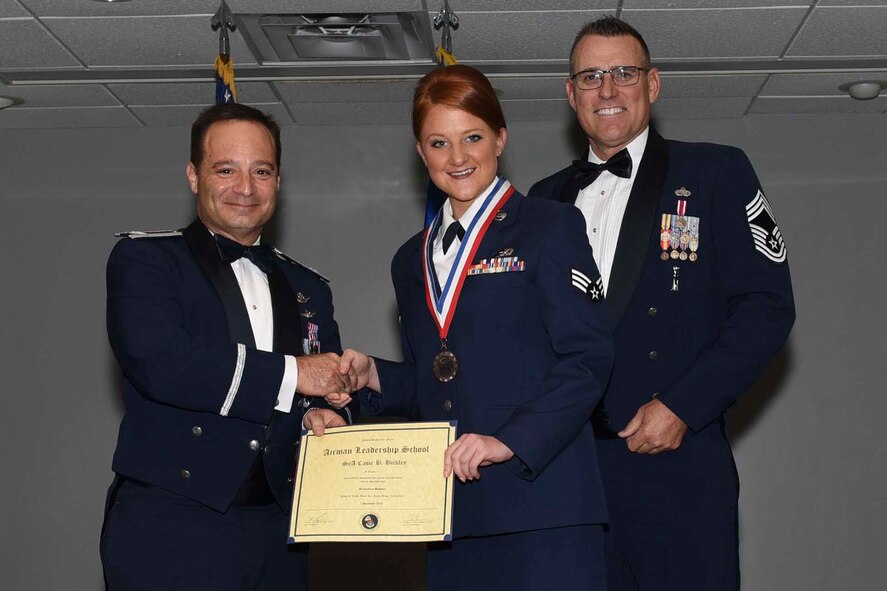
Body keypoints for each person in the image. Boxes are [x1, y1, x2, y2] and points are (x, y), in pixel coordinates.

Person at [528, 16, 796, 591]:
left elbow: (767, 307)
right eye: (591, 76)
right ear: (570, 94)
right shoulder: (542, 200)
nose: (607, 90)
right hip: (571, 474)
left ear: (653, 85)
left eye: (624, 72)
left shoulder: (716, 172)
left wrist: (681, 406)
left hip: (677, 467)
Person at [334, 65, 614, 590]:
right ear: (421, 153)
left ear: (500, 139)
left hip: (543, 504)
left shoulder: (550, 227)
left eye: (473, 138)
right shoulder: (408, 260)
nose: (458, 158)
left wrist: (508, 441)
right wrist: (374, 376)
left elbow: (589, 359)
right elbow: (437, 379)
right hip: (451, 514)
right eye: (439, 142)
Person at [100, 103, 360, 591]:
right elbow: (163, 364)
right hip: (172, 523)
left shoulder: (309, 286)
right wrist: (296, 375)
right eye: (226, 170)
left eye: (261, 171)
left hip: (281, 531)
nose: (246, 187)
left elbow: (322, 386)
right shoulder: (146, 260)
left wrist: (327, 416)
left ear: (278, 180)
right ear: (194, 176)